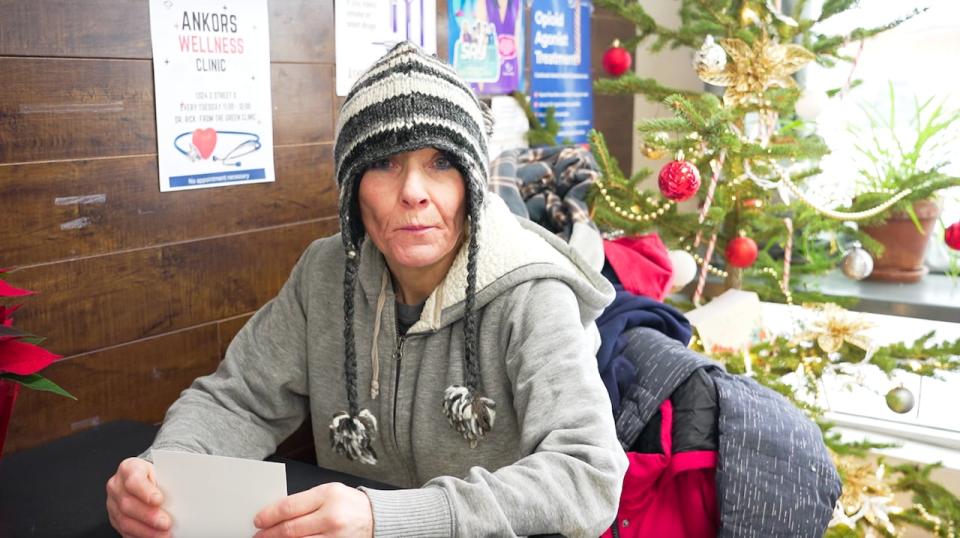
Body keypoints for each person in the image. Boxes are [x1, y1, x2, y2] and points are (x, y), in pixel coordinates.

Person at [105, 42, 627, 538]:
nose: (414, 193)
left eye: (440, 163)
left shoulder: (532, 294)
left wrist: (390, 519)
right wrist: (162, 476)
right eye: (384, 163)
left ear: (471, 182)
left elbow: (589, 476)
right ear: (353, 188)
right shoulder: (325, 273)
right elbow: (239, 401)